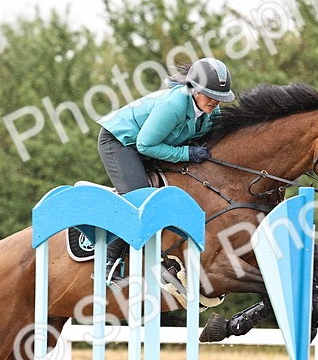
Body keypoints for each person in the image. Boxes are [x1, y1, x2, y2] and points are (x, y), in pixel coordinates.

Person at [95, 57, 235, 279]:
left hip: (152, 144)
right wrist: (187, 153)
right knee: (140, 199)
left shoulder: (210, 112)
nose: (215, 102)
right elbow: (145, 144)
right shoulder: (174, 105)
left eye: (220, 98)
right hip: (121, 142)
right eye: (211, 95)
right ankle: (107, 259)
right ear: (195, 89)